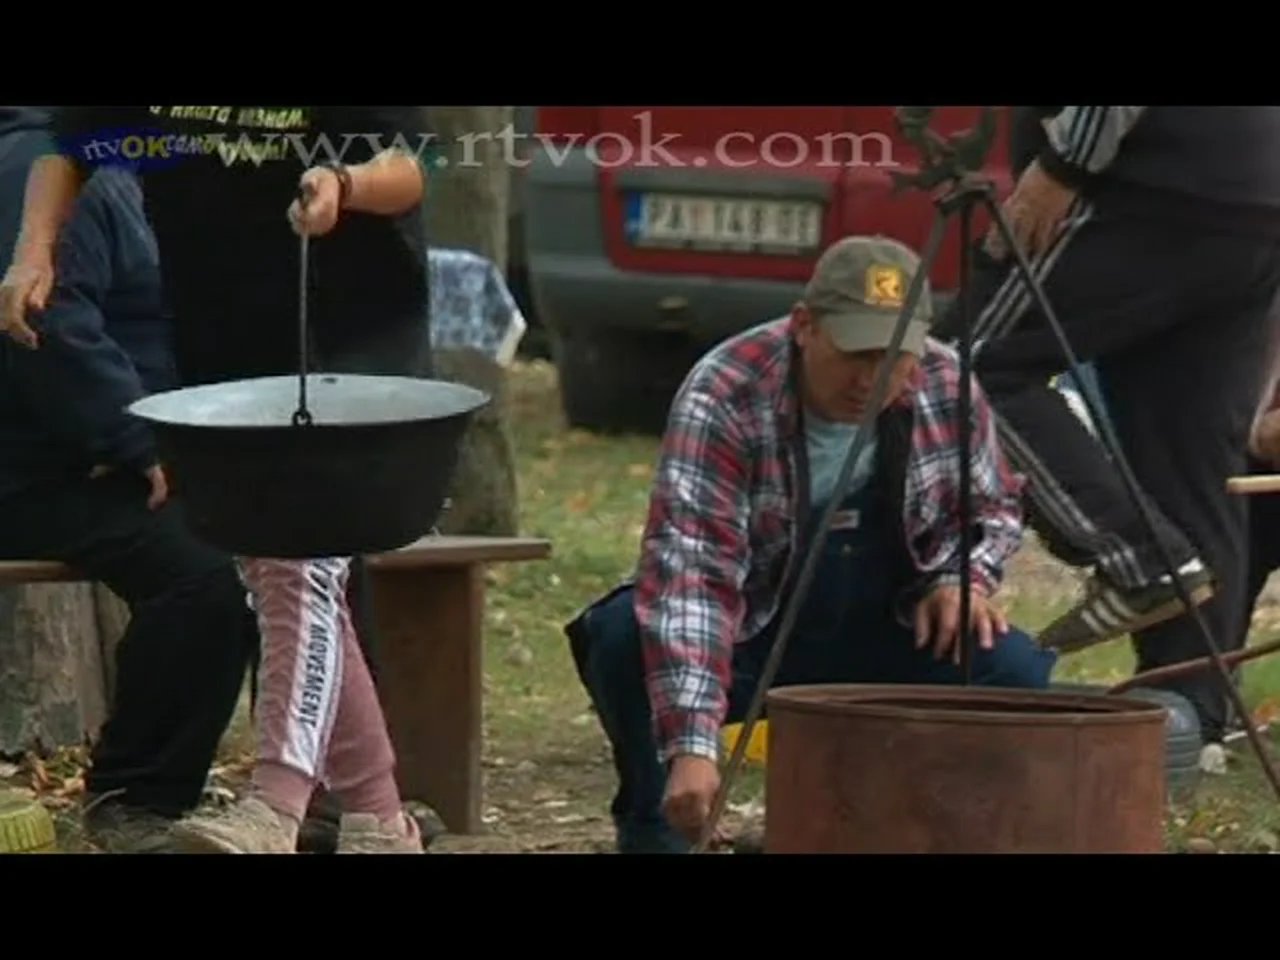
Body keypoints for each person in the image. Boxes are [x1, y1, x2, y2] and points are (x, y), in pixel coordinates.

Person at [1, 105, 436, 854]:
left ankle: (278, 803)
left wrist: (343, 183)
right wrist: (33, 251)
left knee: (301, 563)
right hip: (220, 350)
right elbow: (69, 148)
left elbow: (412, 167)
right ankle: (376, 817)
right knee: (286, 570)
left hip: (338, 333)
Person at [565, 235, 1057, 854]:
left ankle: (926, 833)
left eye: (892, 358)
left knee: (1012, 668)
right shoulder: (727, 389)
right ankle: (661, 831)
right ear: (804, 326)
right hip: (752, 629)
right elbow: (693, 571)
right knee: (625, 638)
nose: (870, 379)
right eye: (855, 354)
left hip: (886, 623)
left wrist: (962, 576)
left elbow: (990, 507)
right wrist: (692, 744)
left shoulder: (945, 382)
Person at [933, 107, 1280, 752]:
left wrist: (1064, 166)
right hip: (1251, 196)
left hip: (1145, 185)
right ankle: (1186, 720)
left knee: (958, 370)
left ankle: (1142, 560)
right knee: (1187, 453)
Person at [0, 106, 256, 852]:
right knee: (204, 573)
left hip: (89, 457)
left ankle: (319, 789)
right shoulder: (39, 167)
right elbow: (47, 327)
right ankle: (135, 798)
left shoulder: (132, 163)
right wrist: (138, 442)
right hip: (37, 471)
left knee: (300, 543)